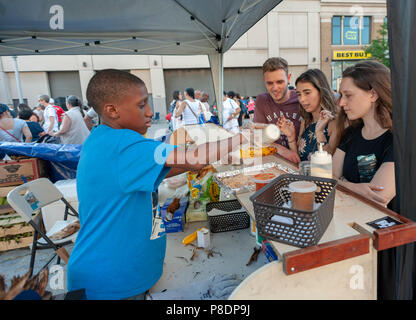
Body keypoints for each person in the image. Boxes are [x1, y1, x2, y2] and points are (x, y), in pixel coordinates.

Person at [66, 69, 248, 300]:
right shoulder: (122, 145)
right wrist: (243, 137)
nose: (151, 112)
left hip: (121, 273)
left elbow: (174, 167)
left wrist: (211, 159)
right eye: (142, 105)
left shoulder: (105, 139)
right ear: (112, 110)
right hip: (111, 283)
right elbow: (194, 158)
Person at [332, 61, 395, 207]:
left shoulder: (396, 140)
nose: (341, 103)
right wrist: (356, 188)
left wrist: (341, 182)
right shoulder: (350, 133)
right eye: (341, 95)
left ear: (373, 94)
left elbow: (377, 198)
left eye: (348, 95)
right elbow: (329, 177)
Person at [279, 69, 338, 162]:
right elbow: (299, 161)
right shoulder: (305, 121)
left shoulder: (334, 122)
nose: (302, 99)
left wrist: (320, 133)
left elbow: (330, 164)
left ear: (321, 91)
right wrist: (291, 138)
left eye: (307, 93)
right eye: (299, 94)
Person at [254, 57, 302, 164]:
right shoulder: (262, 100)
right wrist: (281, 150)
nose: (275, 88)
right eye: (269, 83)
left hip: (301, 162)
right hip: (273, 162)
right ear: (264, 81)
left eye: (280, 82)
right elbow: (257, 138)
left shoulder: (301, 99)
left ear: (289, 78)